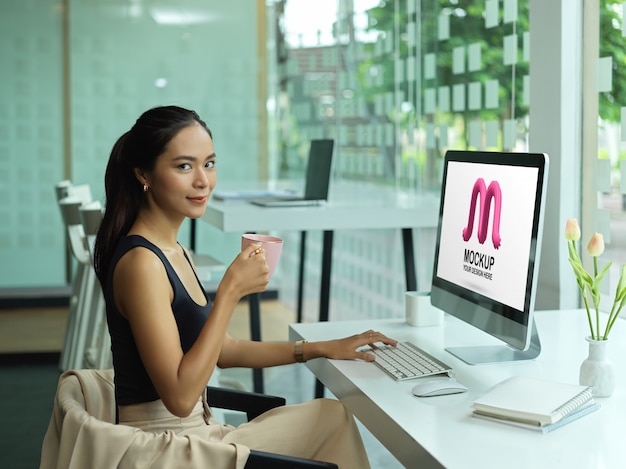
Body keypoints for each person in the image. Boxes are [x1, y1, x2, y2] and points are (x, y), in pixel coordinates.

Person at [93, 105, 398, 468]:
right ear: (144, 173)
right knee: (330, 425)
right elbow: (179, 396)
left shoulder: (175, 251)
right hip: (165, 449)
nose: (203, 181)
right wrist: (229, 293)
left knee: (329, 417)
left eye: (209, 164)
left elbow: (223, 350)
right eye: (184, 166)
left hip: (198, 432)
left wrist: (320, 348)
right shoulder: (142, 264)